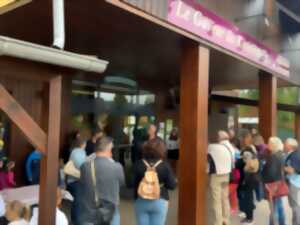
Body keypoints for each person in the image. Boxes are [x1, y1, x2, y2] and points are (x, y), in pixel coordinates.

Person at [79, 137, 125, 225]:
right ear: (108, 149)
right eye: (111, 149)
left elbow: (82, 183)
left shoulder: (84, 166)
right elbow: (122, 183)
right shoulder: (117, 167)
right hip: (111, 212)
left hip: (89, 213)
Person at [133, 138, 177, 225]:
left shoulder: (138, 164)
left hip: (141, 199)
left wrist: (142, 182)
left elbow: (129, 183)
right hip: (160, 199)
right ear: (162, 150)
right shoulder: (165, 165)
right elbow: (172, 186)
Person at [207, 131, 235, 225]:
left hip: (217, 175)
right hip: (227, 175)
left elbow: (205, 152)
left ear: (220, 138)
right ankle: (226, 220)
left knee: (216, 200)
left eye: (217, 136)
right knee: (225, 198)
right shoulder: (231, 147)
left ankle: (218, 222)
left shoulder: (213, 147)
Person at [262, 137, 286, 225]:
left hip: (272, 185)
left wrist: (266, 183)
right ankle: (282, 223)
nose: (267, 145)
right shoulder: (281, 154)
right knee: (279, 207)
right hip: (279, 183)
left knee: (274, 209)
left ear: (273, 145)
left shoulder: (273, 156)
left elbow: (271, 173)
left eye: (269, 143)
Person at [236, 145, 260, 225]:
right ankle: (248, 217)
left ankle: (250, 218)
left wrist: (245, 160)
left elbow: (239, 166)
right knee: (248, 199)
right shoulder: (254, 159)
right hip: (250, 181)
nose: (245, 155)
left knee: (248, 199)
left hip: (248, 181)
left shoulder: (246, 160)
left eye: (246, 154)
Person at [66, 138, 87, 225]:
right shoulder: (78, 152)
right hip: (75, 181)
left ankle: (76, 220)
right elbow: (81, 166)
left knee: (78, 201)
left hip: (74, 180)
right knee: (78, 201)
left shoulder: (75, 151)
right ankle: (77, 221)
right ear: (82, 144)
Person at [284, 138, 300, 225]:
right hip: (295, 182)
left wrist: (281, 168)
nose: (284, 145)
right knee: (294, 204)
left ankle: (297, 223)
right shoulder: (294, 154)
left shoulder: (294, 155)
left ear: (290, 146)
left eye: (285, 143)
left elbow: (292, 170)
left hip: (294, 182)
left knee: (294, 205)